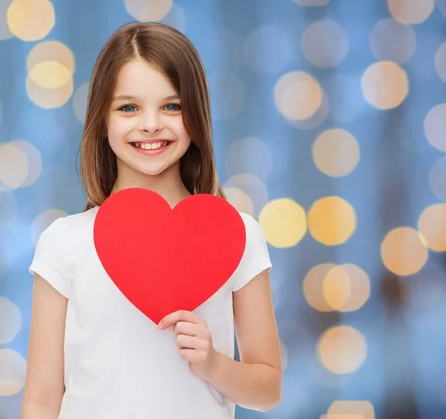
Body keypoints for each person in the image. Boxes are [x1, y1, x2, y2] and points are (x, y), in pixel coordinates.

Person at [21, 21, 282, 419]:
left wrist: (213, 363)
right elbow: (41, 400)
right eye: (129, 107)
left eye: (172, 106)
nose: (151, 124)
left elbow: (267, 389)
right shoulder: (64, 242)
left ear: (196, 115)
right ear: (102, 120)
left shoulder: (237, 235)